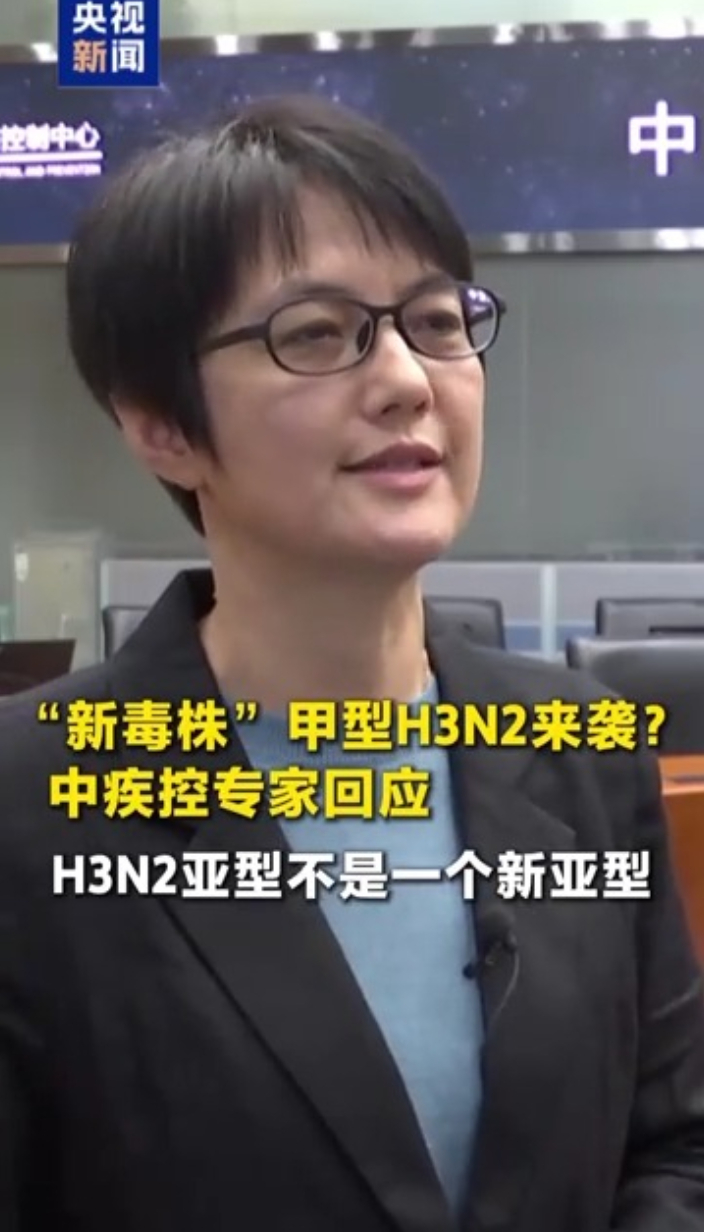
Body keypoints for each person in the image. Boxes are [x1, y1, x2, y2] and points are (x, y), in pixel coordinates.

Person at [0, 94, 703, 1232]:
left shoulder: (582, 750)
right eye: (318, 334)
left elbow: (672, 1140)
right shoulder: (30, 804)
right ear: (160, 424)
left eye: (435, 320)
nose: (408, 379)